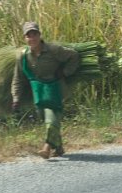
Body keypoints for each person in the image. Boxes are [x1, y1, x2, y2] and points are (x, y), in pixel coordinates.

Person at [12, 21, 80, 158]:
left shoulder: (54, 50)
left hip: (56, 89)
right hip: (39, 92)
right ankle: (59, 147)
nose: (32, 38)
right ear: (25, 38)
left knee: (52, 120)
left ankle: (46, 148)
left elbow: (74, 56)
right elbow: (18, 78)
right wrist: (16, 99)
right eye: (28, 36)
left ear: (39, 35)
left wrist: (64, 72)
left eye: (34, 34)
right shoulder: (23, 56)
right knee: (46, 118)